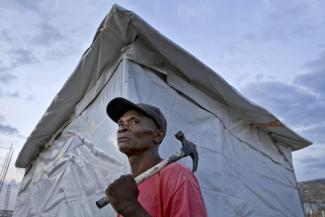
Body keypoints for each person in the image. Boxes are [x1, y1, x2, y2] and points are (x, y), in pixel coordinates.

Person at [105, 97, 208, 217]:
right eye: (120, 124)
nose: (122, 128)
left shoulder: (177, 175)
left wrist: (130, 208)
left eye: (134, 122)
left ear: (158, 135)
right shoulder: (128, 189)